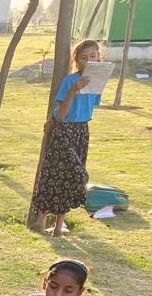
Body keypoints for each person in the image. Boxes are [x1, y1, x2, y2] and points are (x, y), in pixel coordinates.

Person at [31, 40, 103, 238]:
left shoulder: (98, 82)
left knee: (67, 180)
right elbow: (61, 114)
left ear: (99, 58)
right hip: (64, 131)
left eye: (93, 56)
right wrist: (73, 90)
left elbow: (91, 107)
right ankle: (41, 218)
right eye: (83, 58)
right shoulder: (69, 81)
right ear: (77, 61)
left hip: (81, 132)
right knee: (64, 175)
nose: (88, 61)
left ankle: (58, 227)